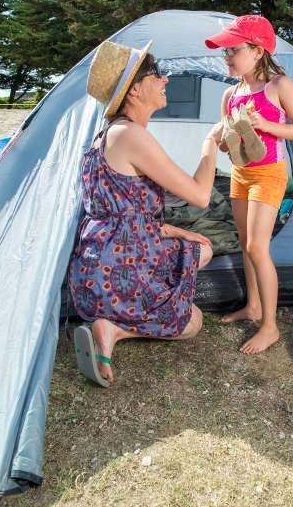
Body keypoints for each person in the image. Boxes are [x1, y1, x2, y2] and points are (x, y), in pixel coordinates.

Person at [69, 40, 223, 386]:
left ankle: (109, 323)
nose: (165, 80)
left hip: (91, 274)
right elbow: (199, 196)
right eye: (157, 74)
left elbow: (126, 216)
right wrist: (210, 145)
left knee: (200, 245)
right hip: (125, 268)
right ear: (135, 90)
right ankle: (117, 328)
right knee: (194, 322)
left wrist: (181, 233)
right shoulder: (131, 135)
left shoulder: (104, 136)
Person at [205, 15, 293, 355]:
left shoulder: (279, 86)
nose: (226, 56)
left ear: (257, 50)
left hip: (269, 173)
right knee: (244, 241)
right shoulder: (230, 94)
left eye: (232, 49)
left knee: (257, 248)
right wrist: (225, 140)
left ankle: (270, 327)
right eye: (225, 51)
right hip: (241, 173)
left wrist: (266, 124)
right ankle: (252, 307)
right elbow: (227, 143)